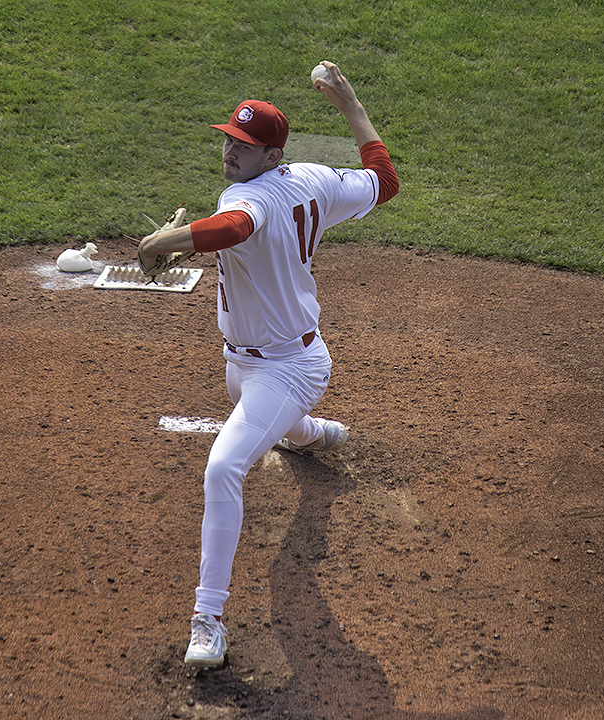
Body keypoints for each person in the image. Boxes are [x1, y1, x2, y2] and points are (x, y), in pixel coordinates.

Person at [138, 61, 399, 669]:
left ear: (272, 154)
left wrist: (160, 244)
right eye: (229, 138)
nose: (231, 151)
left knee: (223, 467)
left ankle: (208, 620)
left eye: (246, 146)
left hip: (290, 367)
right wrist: (350, 105)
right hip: (246, 364)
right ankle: (313, 434)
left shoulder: (246, 199)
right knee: (264, 418)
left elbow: (234, 225)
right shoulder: (313, 178)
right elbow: (382, 181)